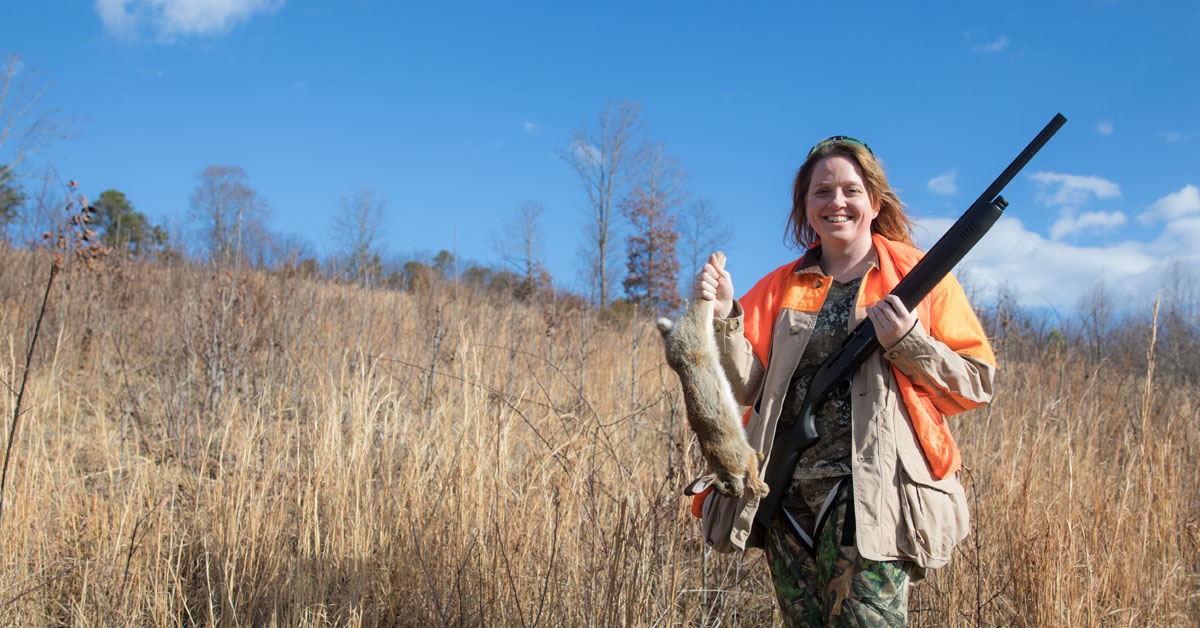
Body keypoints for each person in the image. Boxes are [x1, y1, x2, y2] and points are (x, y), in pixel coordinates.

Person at [691, 136, 996, 626]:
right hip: (788, 497)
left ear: (875, 201)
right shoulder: (781, 285)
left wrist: (908, 341)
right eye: (822, 191)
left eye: (851, 190)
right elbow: (747, 388)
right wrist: (727, 313)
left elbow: (974, 384)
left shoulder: (919, 277)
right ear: (805, 207)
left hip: (873, 499)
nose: (837, 201)